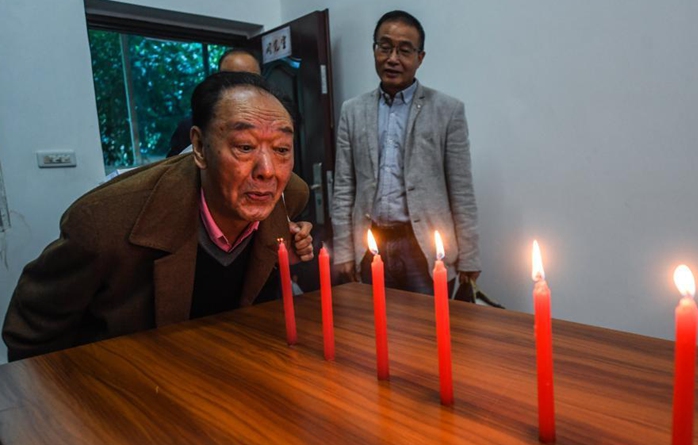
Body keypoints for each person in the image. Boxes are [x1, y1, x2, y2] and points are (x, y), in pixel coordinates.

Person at [3, 72, 313, 361]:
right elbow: (29, 336)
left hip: (222, 366)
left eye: (282, 149)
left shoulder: (289, 196)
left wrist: (284, 249)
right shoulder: (103, 224)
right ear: (199, 147)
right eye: (244, 146)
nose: (268, 171)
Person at [331, 10, 481, 295]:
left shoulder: (447, 111)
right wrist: (344, 250)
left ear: (419, 58)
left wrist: (470, 255)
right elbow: (343, 187)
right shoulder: (352, 111)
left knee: (430, 333)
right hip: (370, 244)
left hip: (424, 248)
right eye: (384, 47)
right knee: (376, 329)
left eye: (404, 50)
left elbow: (461, 190)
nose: (392, 58)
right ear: (374, 49)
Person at [166, 48, 262, 157]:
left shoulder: (276, 124)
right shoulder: (191, 126)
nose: (240, 86)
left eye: (249, 78)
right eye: (230, 77)